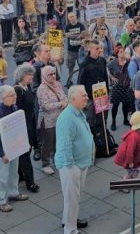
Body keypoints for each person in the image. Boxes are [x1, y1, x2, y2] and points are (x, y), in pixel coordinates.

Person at [55, 85, 93, 233]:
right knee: (71, 199)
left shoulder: (77, 112)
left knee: (74, 198)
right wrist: (72, 168)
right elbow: (65, 145)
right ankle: (70, 230)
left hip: (81, 164)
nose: (87, 97)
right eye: (83, 95)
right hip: (71, 166)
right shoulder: (67, 118)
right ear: (73, 99)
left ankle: (69, 220)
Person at [0, 85, 30, 213]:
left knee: (13, 172)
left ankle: (13, 192)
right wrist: (1, 154)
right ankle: (0, 201)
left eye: (15, 94)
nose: (15, 97)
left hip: (13, 147)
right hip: (3, 151)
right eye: (12, 95)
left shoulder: (14, 107)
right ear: (2, 98)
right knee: (2, 177)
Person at [13, 64, 40, 193]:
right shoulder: (18, 90)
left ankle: (20, 175)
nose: (32, 77)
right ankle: (30, 182)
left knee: (24, 153)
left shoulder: (26, 87)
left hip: (29, 123)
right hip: (22, 125)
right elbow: (15, 110)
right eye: (29, 75)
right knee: (25, 153)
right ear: (22, 76)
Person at [36, 66, 67, 175]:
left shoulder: (58, 84)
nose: (53, 76)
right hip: (48, 120)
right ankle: (45, 164)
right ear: (44, 75)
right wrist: (60, 104)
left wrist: (65, 102)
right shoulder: (42, 88)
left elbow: (64, 97)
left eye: (54, 73)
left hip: (60, 117)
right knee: (48, 142)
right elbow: (45, 106)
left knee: (58, 140)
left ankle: (56, 159)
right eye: (50, 74)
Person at [113, 111, 140, 193]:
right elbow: (129, 151)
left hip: (132, 159)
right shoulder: (134, 136)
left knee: (134, 172)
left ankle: (132, 183)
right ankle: (122, 185)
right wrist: (130, 162)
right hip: (129, 160)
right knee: (131, 173)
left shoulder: (136, 133)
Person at [77, 39, 109, 125]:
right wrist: (84, 97)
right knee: (90, 121)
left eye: (100, 48)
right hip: (90, 97)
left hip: (101, 94)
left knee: (102, 119)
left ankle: (102, 136)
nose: (99, 50)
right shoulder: (84, 64)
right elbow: (80, 82)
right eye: (96, 49)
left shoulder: (102, 60)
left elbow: (105, 77)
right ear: (89, 49)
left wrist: (107, 92)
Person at [107, 49, 133, 130]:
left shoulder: (129, 61)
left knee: (126, 105)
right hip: (117, 87)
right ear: (117, 54)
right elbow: (107, 69)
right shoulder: (113, 62)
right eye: (121, 52)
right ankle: (113, 122)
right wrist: (112, 77)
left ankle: (125, 119)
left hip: (126, 87)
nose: (123, 53)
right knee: (115, 105)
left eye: (124, 52)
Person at [64, 13, 86, 86]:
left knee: (82, 67)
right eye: (70, 17)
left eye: (73, 16)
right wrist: (78, 36)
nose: (72, 18)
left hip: (80, 50)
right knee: (70, 68)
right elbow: (67, 35)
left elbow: (84, 35)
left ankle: (81, 81)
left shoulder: (81, 25)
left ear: (76, 17)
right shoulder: (67, 27)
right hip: (71, 51)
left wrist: (72, 36)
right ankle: (69, 81)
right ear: (69, 19)